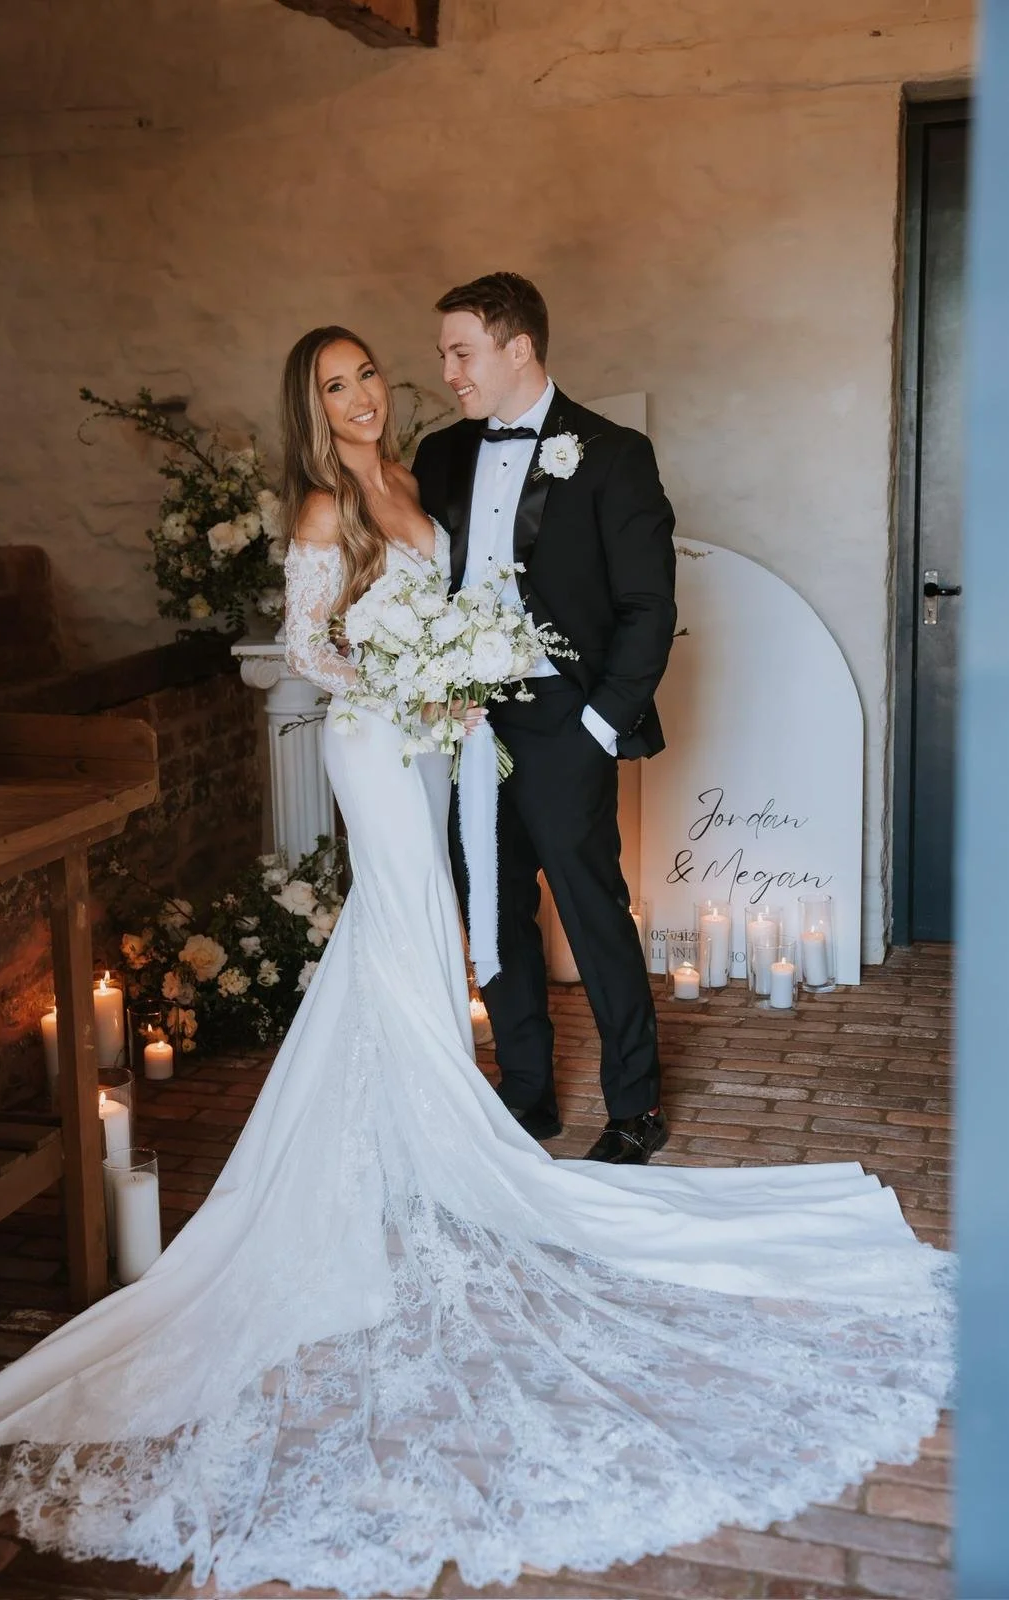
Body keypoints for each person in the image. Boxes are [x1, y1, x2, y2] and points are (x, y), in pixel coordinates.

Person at [0, 326, 952, 1600]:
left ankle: (427, 1139)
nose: (365, 395)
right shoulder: (324, 498)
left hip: (432, 739)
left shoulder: (416, 477)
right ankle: (409, 1157)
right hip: (378, 738)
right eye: (336, 383)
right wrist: (409, 676)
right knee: (401, 917)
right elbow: (308, 645)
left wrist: (451, 681)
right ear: (310, 406)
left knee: (426, 930)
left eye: (373, 374)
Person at [412, 272, 676, 1163]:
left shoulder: (610, 452)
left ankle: (635, 1106)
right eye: (444, 353)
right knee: (493, 906)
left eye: (461, 351)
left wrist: (601, 725)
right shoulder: (440, 456)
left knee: (592, 907)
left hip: (565, 715)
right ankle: (524, 1097)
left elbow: (647, 604)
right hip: (467, 718)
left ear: (517, 346)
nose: (447, 370)